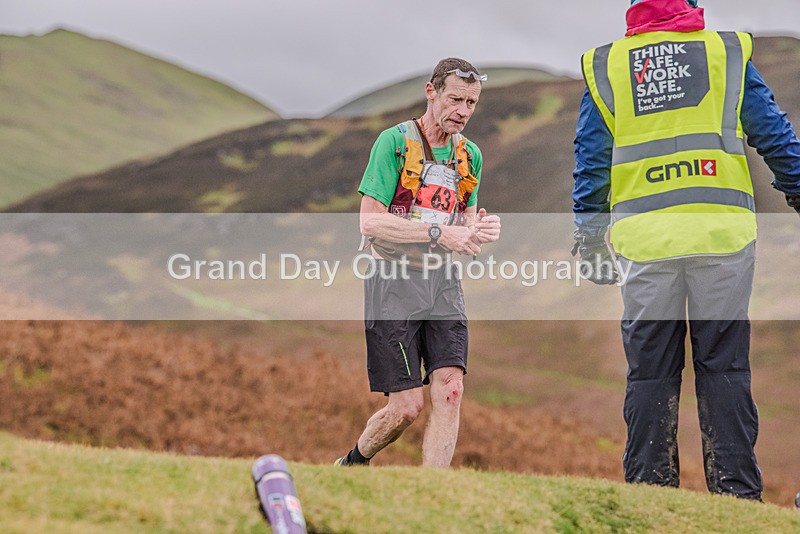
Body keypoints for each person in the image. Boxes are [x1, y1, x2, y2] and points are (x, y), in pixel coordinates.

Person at [571, 0, 800, 500]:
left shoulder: (608, 66)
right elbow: (774, 134)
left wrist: (588, 238)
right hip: (721, 235)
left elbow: (592, 163)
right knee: (725, 366)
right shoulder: (724, 52)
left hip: (645, 243)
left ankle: (651, 495)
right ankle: (736, 497)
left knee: (651, 371)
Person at [335, 58, 501, 468]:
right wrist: (439, 233)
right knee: (406, 408)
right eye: (456, 99)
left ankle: (433, 493)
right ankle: (354, 462)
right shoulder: (392, 143)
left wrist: (476, 232)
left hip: (443, 281)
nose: (463, 111)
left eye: (471, 103)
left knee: (450, 390)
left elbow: (463, 224)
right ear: (431, 92)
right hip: (391, 281)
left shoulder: (470, 156)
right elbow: (370, 221)